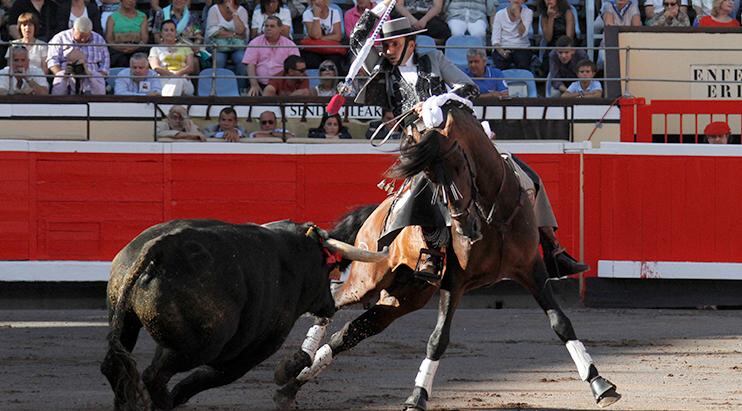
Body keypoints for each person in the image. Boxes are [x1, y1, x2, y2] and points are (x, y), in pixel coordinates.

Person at [350, 7, 478, 277]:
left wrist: (437, 101)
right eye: (385, 46)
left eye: (394, 44)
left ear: (411, 43)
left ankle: (550, 246)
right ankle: (432, 251)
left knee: (510, 169)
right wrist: (376, 10)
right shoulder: (382, 68)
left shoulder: (434, 59)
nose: (387, 51)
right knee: (426, 183)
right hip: (416, 142)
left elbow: (469, 88)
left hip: (449, 134)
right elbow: (357, 41)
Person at [47, 16, 110, 95]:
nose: (83, 40)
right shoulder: (60, 38)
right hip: (66, 78)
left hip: (92, 80)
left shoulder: (99, 40)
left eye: (86, 36)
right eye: (81, 36)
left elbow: (105, 64)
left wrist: (95, 78)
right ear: (73, 30)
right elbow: (52, 61)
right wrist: (62, 76)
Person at [242, 15, 300, 96]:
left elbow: (295, 66)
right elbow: (250, 65)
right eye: (266, 26)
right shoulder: (255, 42)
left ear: (280, 29)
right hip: (260, 84)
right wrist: (254, 85)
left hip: (282, 85)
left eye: (272, 26)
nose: (268, 28)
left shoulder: (290, 45)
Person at [205, 0, 248, 90]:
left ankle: (241, 89)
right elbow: (213, 32)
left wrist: (234, 13)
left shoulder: (242, 10)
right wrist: (234, 34)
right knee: (219, 60)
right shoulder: (214, 9)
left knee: (242, 60)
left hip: (237, 46)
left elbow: (242, 31)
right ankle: (218, 90)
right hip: (218, 46)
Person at [149, 19, 196, 96]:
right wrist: (171, 75)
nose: (169, 32)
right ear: (161, 33)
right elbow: (155, 67)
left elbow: (190, 67)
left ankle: (167, 104)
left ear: (175, 33)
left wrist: (177, 75)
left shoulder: (185, 47)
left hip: (183, 79)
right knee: (175, 80)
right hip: (163, 79)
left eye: (172, 30)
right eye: (166, 30)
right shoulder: (155, 49)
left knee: (178, 80)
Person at [301, 0, 346, 70]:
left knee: (335, 60)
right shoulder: (307, 14)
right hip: (313, 49)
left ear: (326, 1)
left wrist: (320, 38)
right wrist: (316, 17)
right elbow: (316, 35)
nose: (316, 2)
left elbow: (338, 36)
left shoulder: (334, 12)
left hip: (330, 49)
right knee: (311, 60)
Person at [491, 0, 534, 71]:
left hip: (521, 47)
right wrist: (502, 52)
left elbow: (522, 34)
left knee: (523, 63)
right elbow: (495, 39)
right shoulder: (499, 14)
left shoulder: (528, 12)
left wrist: (518, 16)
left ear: (524, 1)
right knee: (500, 63)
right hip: (503, 47)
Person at [105, 0, 148, 67]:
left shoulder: (142, 16)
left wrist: (134, 47)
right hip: (117, 49)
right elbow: (109, 39)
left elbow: (144, 39)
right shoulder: (112, 18)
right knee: (120, 59)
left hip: (137, 48)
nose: (130, 1)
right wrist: (120, 48)